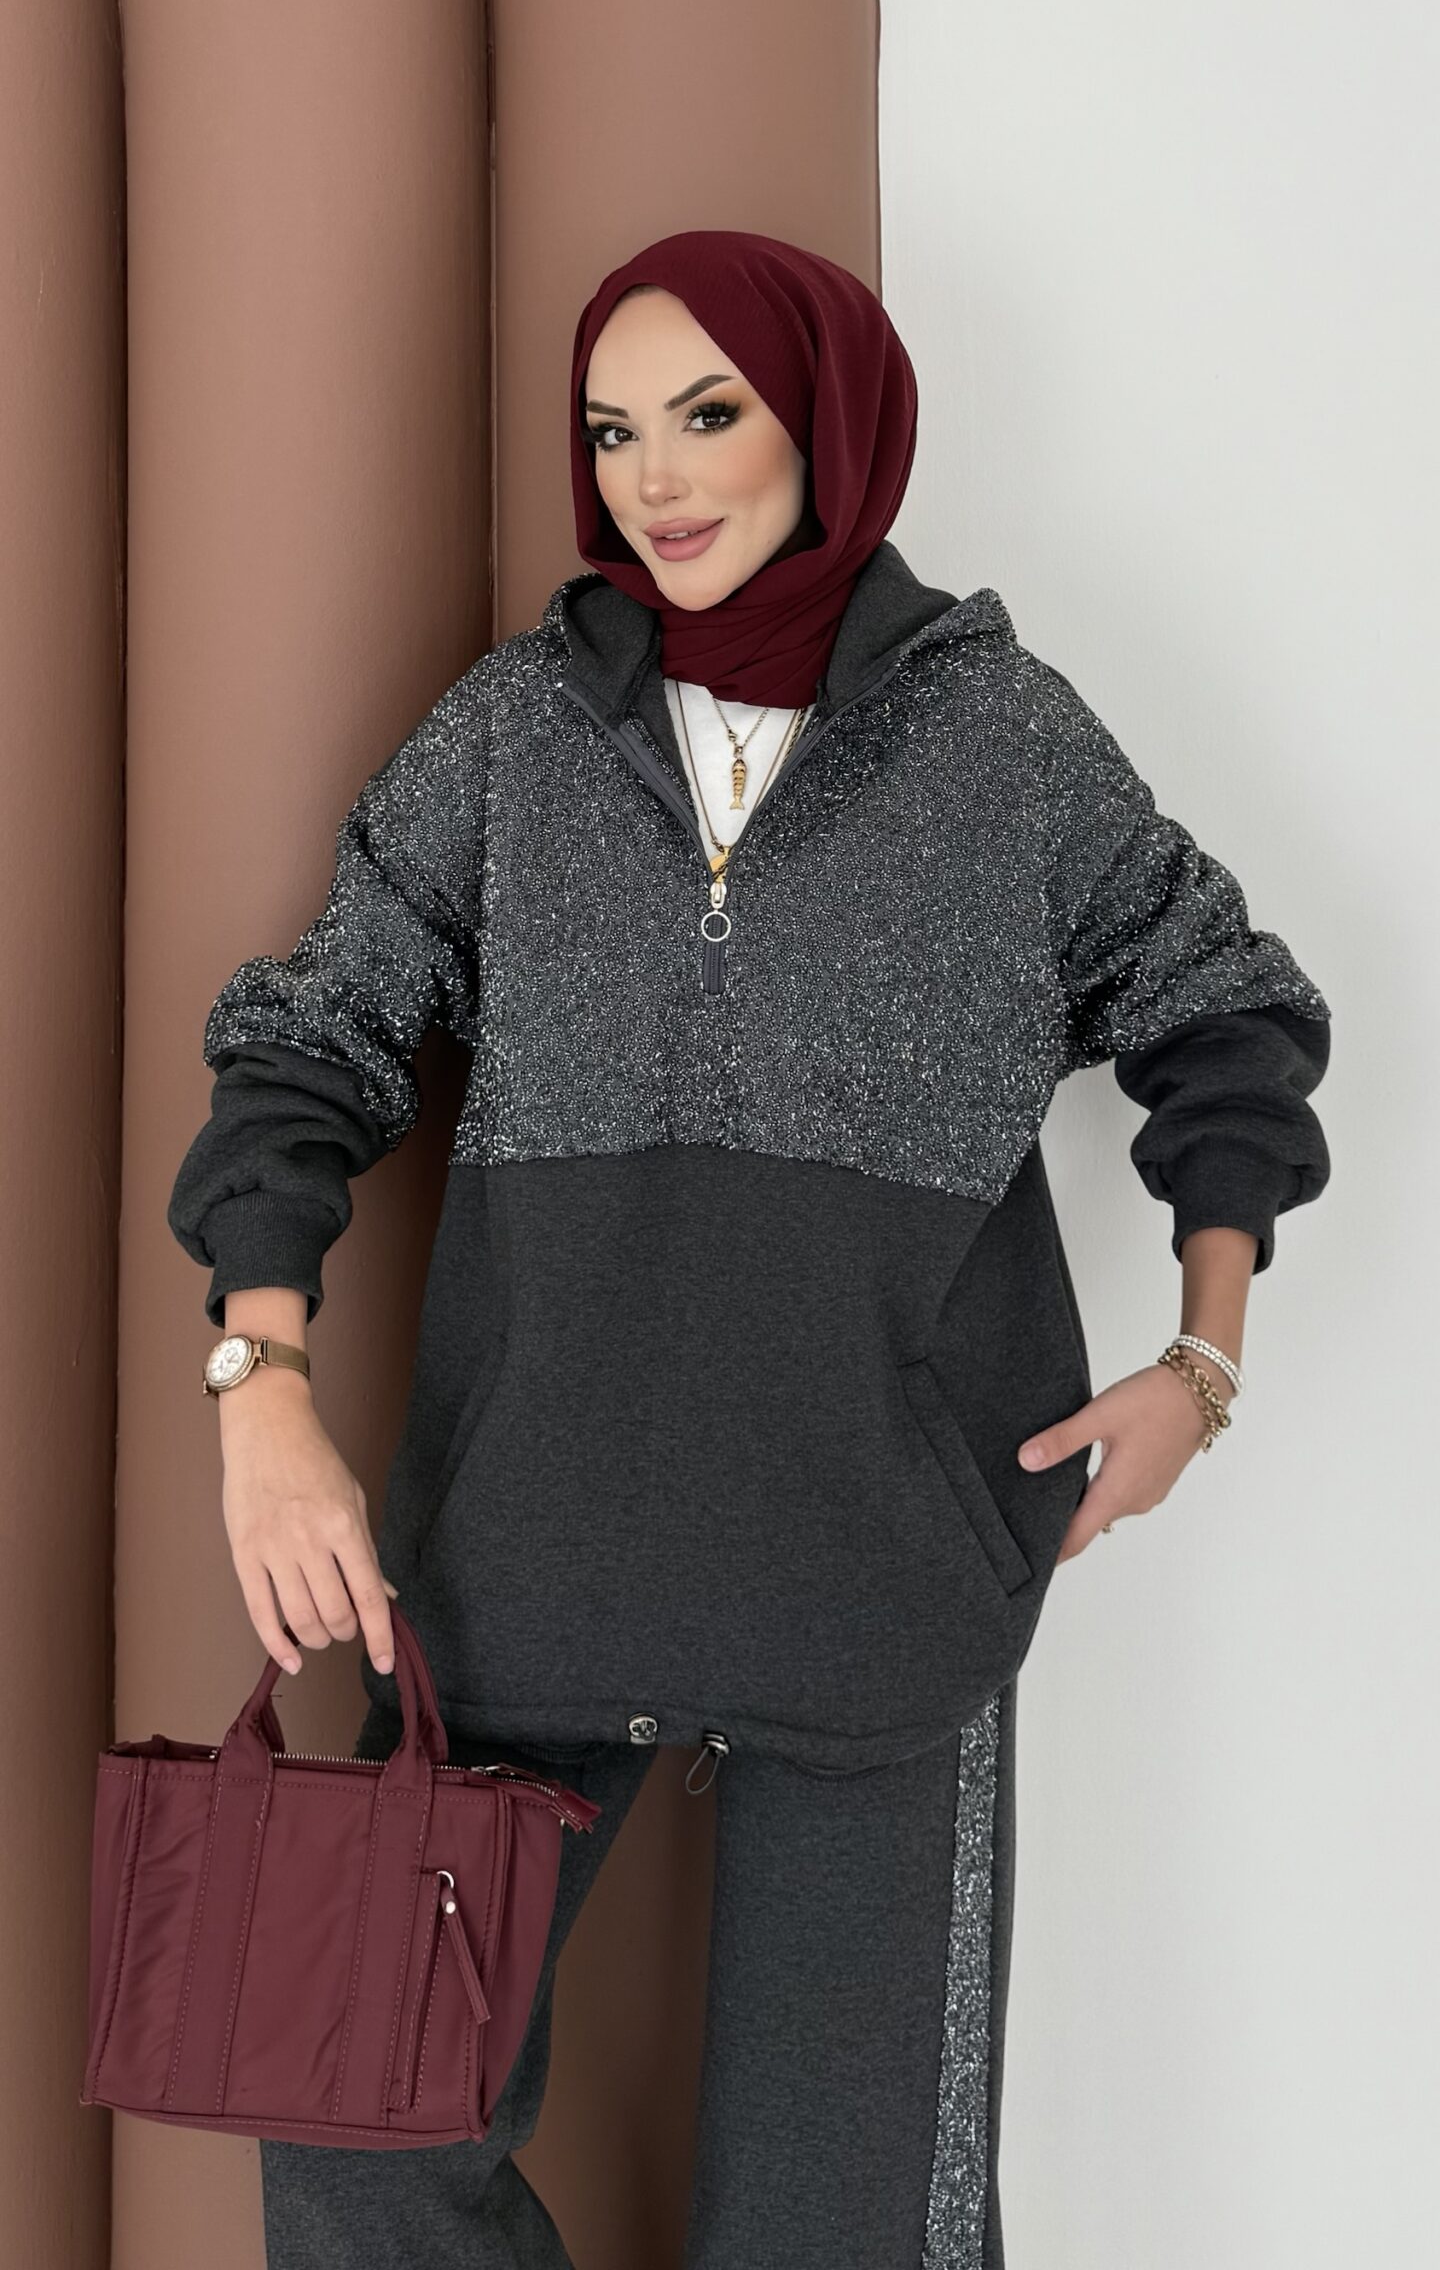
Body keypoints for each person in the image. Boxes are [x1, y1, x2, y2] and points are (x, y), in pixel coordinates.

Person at [167, 228, 1332, 2269]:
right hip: (527, 1560)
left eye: (709, 415)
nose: (655, 478)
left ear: (832, 428)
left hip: (881, 1581)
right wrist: (261, 1381)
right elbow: (309, 1033)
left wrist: (1202, 1356)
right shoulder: (518, 734)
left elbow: (1223, 1008)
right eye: (612, 429)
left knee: (848, 2229)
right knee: (352, 2122)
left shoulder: (1002, 746)